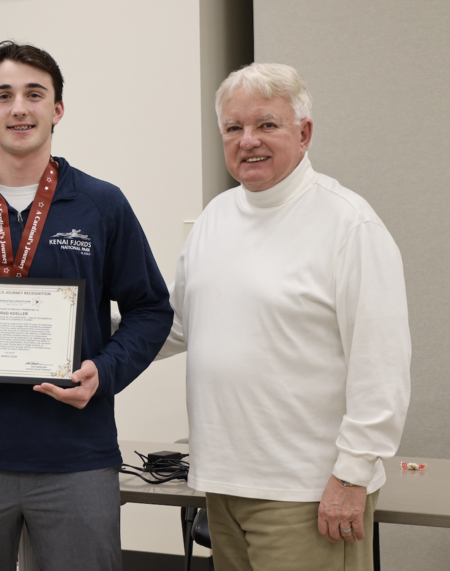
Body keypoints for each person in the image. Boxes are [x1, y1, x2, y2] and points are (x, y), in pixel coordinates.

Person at [0, 41, 172, 571]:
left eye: (34, 94)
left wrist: (105, 371)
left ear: (57, 109)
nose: (19, 107)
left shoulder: (102, 204)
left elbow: (151, 309)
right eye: (3, 95)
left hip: (74, 457)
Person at [156, 63, 411, 570]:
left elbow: (381, 362)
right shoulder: (215, 218)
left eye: (266, 124)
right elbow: (181, 325)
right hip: (223, 485)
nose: (248, 140)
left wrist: (352, 474)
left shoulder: (349, 224)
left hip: (309, 494)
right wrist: (76, 337)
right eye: (234, 127)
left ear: (304, 132)